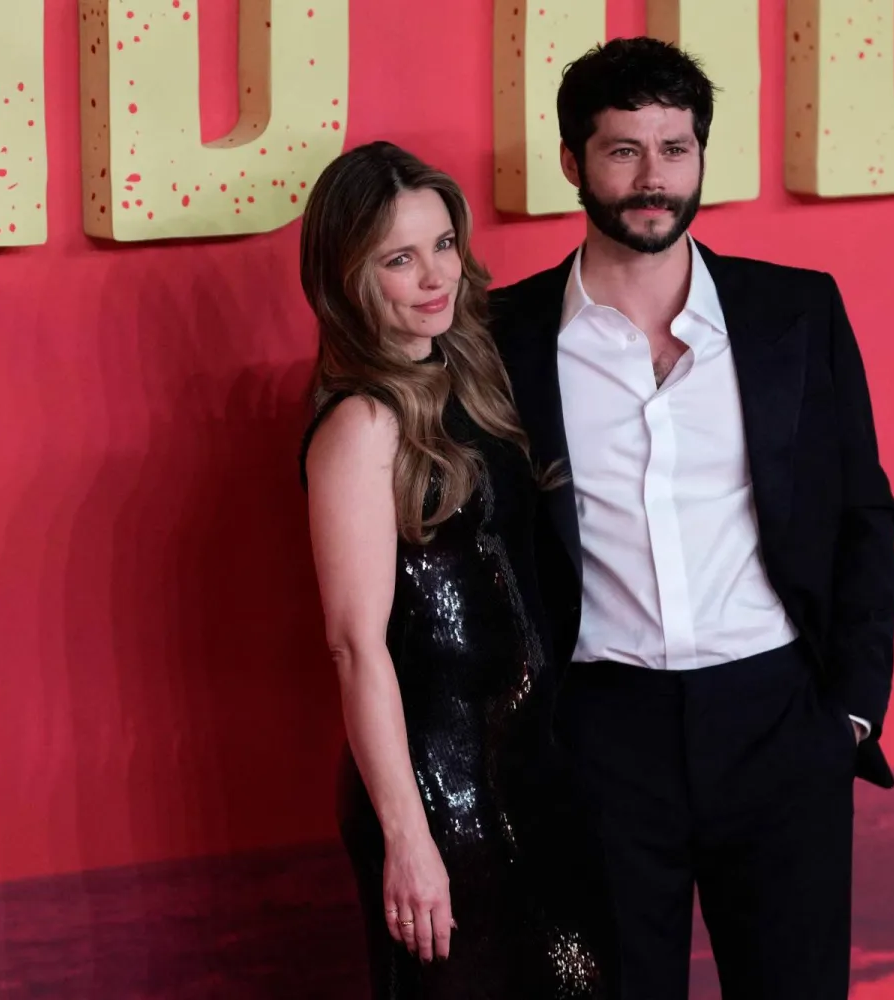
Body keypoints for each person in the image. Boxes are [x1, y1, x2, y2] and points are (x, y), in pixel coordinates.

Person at [490, 38, 894, 1000]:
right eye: (623, 149)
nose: (652, 178)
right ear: (572, 162)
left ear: (702, 155)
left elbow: (863, 516)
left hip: (778, 722)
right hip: (602, 737)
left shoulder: (794, 312)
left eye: (674, 148)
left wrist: (846, 712)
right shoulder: (503, 339)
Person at [298, 141, 614, 998]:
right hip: (441, 794)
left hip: (532, 773)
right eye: (399, 258)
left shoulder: (468, 378)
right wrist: (408, 837)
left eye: (443, 244)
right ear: (349, 277)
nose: (436, 274)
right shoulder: (362, 425)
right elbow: (355, 648)